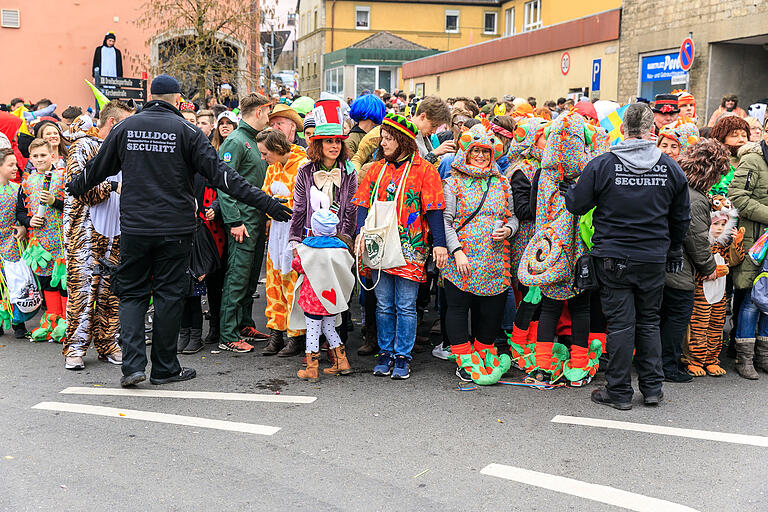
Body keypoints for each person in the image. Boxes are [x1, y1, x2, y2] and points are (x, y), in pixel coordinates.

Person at [66, 74, 292, 388]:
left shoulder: (124, 129)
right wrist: (267, 202)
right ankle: (164, 368)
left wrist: (74, 186)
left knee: (131, 295)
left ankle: (132, 367)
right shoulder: (186, 131)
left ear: (150, 97)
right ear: (177, 99)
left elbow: (95, 170)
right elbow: (224, 177)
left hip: (135, 227)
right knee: (169, 296)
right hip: (175, 230)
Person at [564, 102, 690, 410]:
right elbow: (681, 216)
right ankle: (652, 389)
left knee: (621, 324)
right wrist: (674, 250)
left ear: (622, 130)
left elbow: (576, 205)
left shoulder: (603, 163)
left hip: (614, 256)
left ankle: (618, 391)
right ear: (652, 131)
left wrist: (570, 187)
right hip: (653, 257)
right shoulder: (669, 167)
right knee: (648, 321)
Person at [353, 113, 447, 380]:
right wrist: (360, 233)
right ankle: (386, 353)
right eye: (382, 138)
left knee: (405, 305)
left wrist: (439, 244)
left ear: (403, 141)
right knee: (383, 304)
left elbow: (435, 209)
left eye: (388, 139)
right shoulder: (376, 169)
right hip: (380, 245)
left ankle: (403, 356)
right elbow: (362, 204)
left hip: (411, 246)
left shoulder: (424, 170)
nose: (383, 143)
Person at [517, 111, 600, 387]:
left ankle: (541, 365)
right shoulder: (589, 171)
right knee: (580, 308)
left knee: (550, 307)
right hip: (579, 252)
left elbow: (535, 211)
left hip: (550, 252)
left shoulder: (544, 172)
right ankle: (578, 364)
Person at [441, 121, 517, 385]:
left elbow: (514, 217)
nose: (482, 156)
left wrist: (508, 229)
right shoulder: (452, 183)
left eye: (486, 151)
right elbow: (446, 221)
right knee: (459, 307)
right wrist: (457, 251)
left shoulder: (502, 182)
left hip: (494, 260)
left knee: (492, 309)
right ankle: (463, 356)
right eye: (476, 151)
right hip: (462, 260)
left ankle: (485, 350)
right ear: (466, 152)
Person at [62, 105, 134, 370]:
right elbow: (79, 190)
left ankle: (108, 343)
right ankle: (75, 348)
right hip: (85, 232)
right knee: (82, 290)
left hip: (117, 230)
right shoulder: (83, 147)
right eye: (127, 123)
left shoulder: (125, 150)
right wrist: (113, 186)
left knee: (110, 291)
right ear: (113, 122)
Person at [288, 99, 358, 356]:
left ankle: (338, 348)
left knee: (339, 295)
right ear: (318, 143)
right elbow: (299, 208)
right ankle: (314, 350)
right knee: (313, 295)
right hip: (311, 244)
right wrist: (295, 241)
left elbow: (351, 210)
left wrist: (347, 243)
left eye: (338, 141)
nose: (334, 146)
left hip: (338, 244)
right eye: (329, 141)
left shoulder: (349, 172)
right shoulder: (305, 171)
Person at [658, 139, 728, 384]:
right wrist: (709, 267)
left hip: (660, 264)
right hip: (680, 269)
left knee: (658, 317)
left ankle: (655, 362)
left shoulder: (675, 185)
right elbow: (696, 240)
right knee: (677, 318)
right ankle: (669, 367)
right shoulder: (696, 199)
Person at [217, 93, 275, 353]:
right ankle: (228, 333)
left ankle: (244, 324)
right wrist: (234, 220)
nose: (269, 117)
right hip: (242, 223)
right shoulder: (236, 141)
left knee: (251, 278)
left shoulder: (254, 140)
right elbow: (225, 185)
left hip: (256, 220)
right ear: (259, 111)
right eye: (268, 112)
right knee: (237, 277)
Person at [256, 129, 308, 356]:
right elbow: (264, 195)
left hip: (295, 231)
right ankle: (276, 330)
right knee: (274, 280)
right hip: (277, 231)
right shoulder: (272, 167)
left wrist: (280, 203)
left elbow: (304, 200)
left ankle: (296, 335)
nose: (263, 158)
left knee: (292, 282)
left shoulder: (302, 164)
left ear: (277, 150)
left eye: (265, 153)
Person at [290, 207, 355, 381]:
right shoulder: (341, 249)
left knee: (313, 331)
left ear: (315, 228)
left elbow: (298, 266)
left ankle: (312, 369)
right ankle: (343, 362)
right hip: (332, 297)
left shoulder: (307, 248)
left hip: (313, 298)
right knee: (329, 328)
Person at [684, 193, 744, 377]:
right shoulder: (703, 244)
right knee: (698, 326)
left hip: (719, 293)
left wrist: (736, 244)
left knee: (716, 326)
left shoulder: (723, 244)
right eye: (715, 223)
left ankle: (711, 359)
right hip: (702, 292)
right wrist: (714, 272)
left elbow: (734, 261)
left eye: (723, 224)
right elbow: (698, 267)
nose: (719, 228)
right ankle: (694, 360)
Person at [728, 118, 768, 379]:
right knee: (753, 299)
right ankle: (745, 359)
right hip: (755, 241)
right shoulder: (753, 161)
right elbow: (736, 195)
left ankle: (764, 356)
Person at [19, 139, 68, 341]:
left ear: (52, 156)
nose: (39, 159)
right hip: (40, 243)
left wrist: (53, 202)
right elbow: (20, 212)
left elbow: (72, 207)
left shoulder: (62, 177)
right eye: (35, 156)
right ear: (30, 158)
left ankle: (67, 321)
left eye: (43, 155)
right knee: (47, 282)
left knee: (63, 283)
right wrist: (30, 221)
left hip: (60, 241)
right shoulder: (27, 182)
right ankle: (52, 320)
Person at [0, 147, 29, 339]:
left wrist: (24, 227)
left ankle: (19, 321)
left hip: (12, 242)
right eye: (10, 164)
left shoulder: (17, 189)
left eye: (15, 164)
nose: (15, 168)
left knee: (15, 281)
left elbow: (22, 214)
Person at [709, 115, 750, 196]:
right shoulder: (713, 164)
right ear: (721, 139)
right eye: (734, 136)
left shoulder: (754, 162)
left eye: (744, 135)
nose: (741, 140)